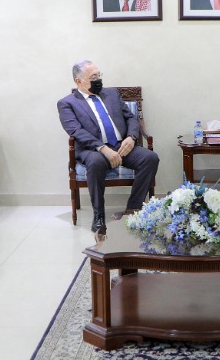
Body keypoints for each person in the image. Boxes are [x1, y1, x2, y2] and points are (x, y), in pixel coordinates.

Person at [57, 60, 159, 234]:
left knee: (150, 158)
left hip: (121, 145)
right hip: (92, 150)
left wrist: (132, 137)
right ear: (78, 81)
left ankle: (133, 210)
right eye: (93, 77)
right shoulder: (67, 103)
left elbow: (131, 118)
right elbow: (75, 131)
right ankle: (99, 216)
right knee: (96, 163)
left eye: (99, 75)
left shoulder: (111, 94)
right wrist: (102, 148)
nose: (98, 80)